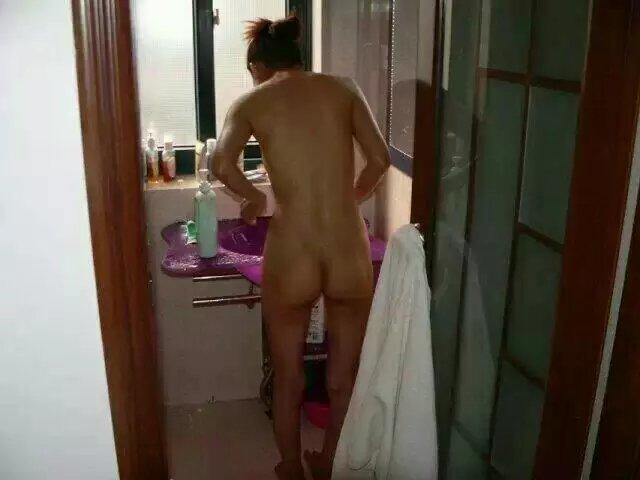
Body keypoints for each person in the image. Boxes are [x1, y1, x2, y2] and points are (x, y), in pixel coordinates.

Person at [212, 15, 390, 480]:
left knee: (289, 376)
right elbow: (380, 159)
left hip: (294, 250)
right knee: (343, 377)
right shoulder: (344, 88)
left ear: (257, 66)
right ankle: (328, 464)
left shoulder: (252, 101)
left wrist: (252, 198)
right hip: (349, 249)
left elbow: (220, 162)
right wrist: (351, 198)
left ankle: (290, 466)